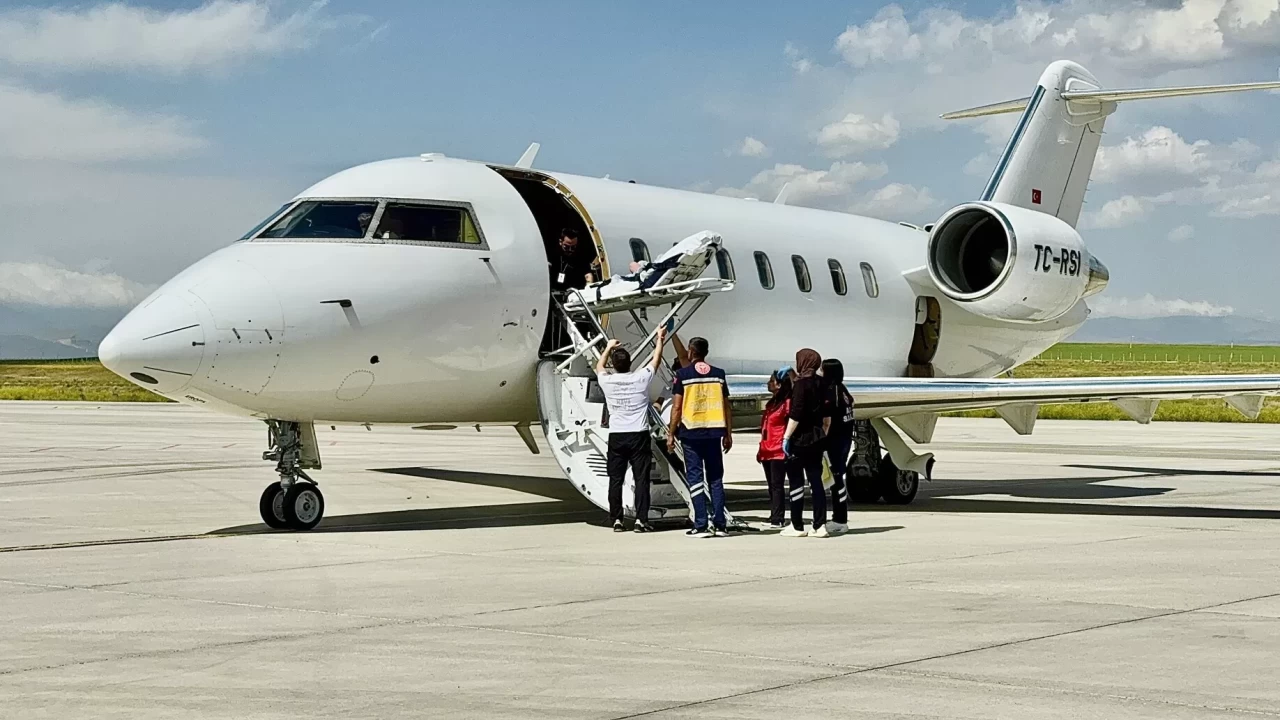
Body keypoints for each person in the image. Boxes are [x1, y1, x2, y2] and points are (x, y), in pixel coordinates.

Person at [595, 327, 668, 533]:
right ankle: (640, 519)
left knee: (615, 479)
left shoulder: (607, 380)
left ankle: (617, 519)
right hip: (638, 434)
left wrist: (608, 347)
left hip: (617, 435)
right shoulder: (640, 378)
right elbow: (656, 360)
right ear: (630, 364)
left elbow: (599, 366)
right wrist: (659, 339)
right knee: (641, 479)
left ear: (614, 366)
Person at [667, 336, 733, 538]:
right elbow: (726, 406)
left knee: (695, 478)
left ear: (690, 352)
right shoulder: (718, 375)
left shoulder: (683, 374)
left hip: (691, 432)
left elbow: (677, 407)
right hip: (714, 432)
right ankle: (720, 525)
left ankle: (702, 524)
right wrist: (728, 433)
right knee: (716, 479)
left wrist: (671, 433)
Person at [781, 348, 830, 538]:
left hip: (800, 439)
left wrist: (786, 437)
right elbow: (827, 418)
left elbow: (797, 413)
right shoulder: (821, 383)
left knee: (796, 482)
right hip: (817, 438)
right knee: (816, 482)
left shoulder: (801, 385)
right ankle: (819, 525)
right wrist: (822, 433)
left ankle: (797, 525)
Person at [757, 366, 793, 529]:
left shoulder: (787, 404)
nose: (768, 383)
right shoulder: (772, 403)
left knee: (777, 485)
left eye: (772, 381)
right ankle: (775, 513)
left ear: (779, 385)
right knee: (772, 486)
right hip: (767, 450)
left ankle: (778, 518)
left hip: (778, 450)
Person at [821, 358, 853, 536]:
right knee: (838, 478)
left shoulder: (831, 391)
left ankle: (840, 519)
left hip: (834, 441)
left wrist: (821, 440)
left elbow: (827, 422)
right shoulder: (843, 390)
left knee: (836, 479)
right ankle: (840, 517)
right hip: (845, 440)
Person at [552, 228, 596, 292]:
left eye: (573, 247)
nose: (570, 250)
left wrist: (587, 289)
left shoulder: (580, 256)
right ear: (560, 242)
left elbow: (588, 275)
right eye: (566, 247)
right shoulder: (553, 255)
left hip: (574, 293)